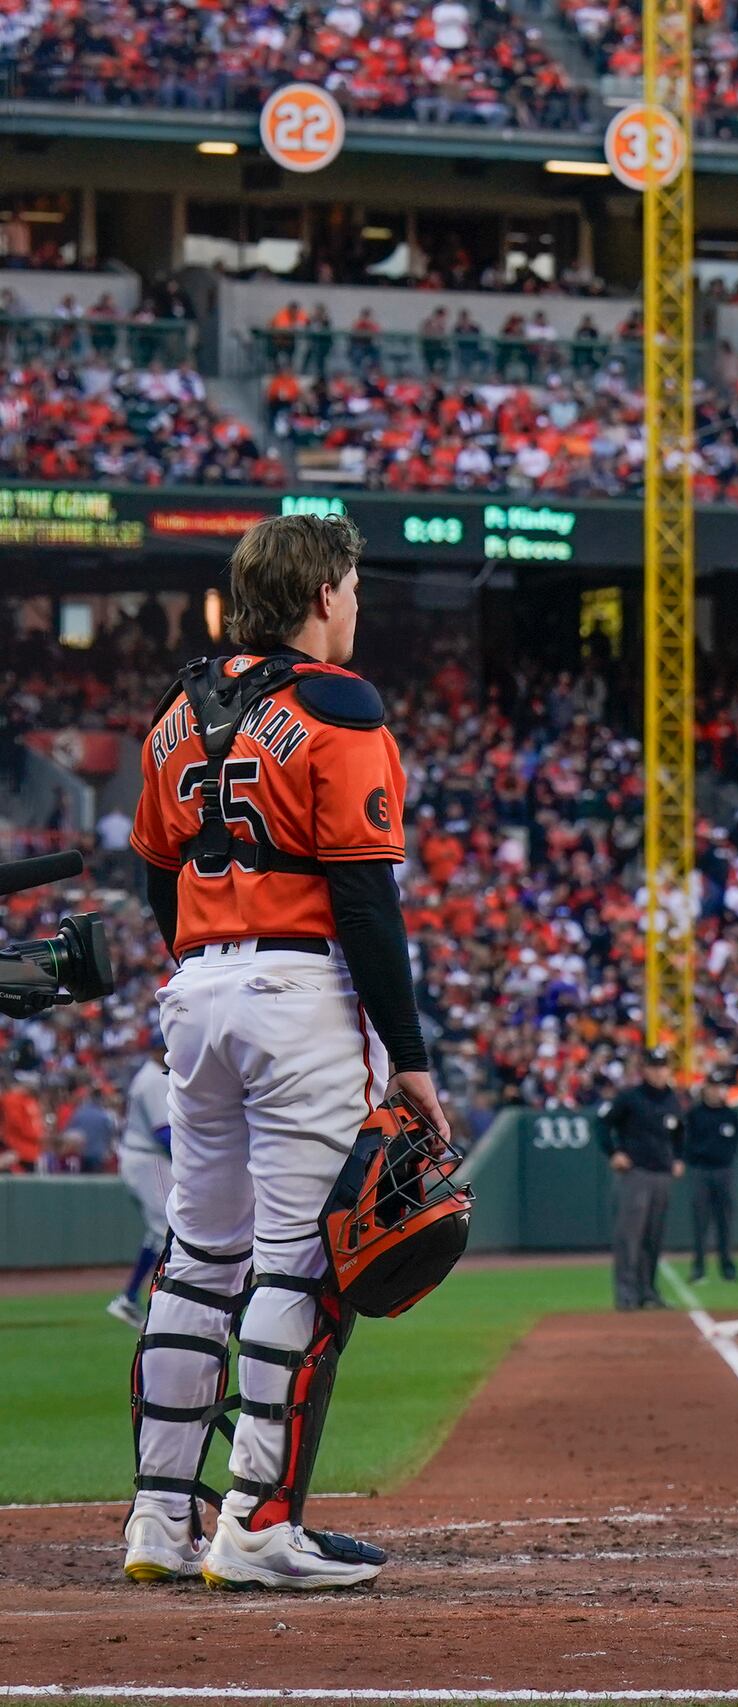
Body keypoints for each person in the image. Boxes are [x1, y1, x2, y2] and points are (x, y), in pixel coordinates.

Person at [124, 511, 448, 1591]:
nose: (356, 606)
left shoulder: (178, 706)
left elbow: (155, 872)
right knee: (301, 1264)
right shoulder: (337, 706)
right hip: (294, 988)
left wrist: (204, 961)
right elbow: (365, 894)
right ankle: (260, 1523)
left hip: (197, 987)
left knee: (197, 1258)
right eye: (351, 588)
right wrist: (410, 1054)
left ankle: (159, 1521)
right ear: (320, 595)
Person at [599, 1047, 685, 1310]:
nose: (659, 1071)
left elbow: (680, 1132)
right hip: (636, 1173)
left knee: (653, 1236)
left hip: (662, 1174)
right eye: (654, 1066)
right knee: (630, 1236)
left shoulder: (672, 1098)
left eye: (663, 1066)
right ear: (644, 1069)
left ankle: (648, 1292)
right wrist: (614, 1152)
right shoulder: (630, 1097)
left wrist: (679, 1157)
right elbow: (602, 1124)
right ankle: (626, 1294)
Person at [107, 1040, 175, 1329]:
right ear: (155, 1050)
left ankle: (130, 1297)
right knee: (167, 1228)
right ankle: (150, 1300)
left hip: (149, 1160)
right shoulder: (152, 1080)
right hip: (149, 1160)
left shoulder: (159, 1076)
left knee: (161, 1230)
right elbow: (164, 1135)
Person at [683, 1076, 738, 1283]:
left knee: (725, 1221)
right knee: (700, 1222)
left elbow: (735, 1143)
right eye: (712, 1087)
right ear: (705, 1089)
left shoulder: (730, 1114)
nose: (715, 1091)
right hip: (701, 1171)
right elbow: (686, 1142)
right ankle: (699, 1268)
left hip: (723, 1171)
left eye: (719, 1087)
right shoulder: (695, 1114)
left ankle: (727, 1268)